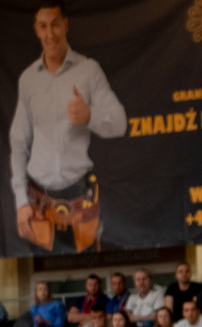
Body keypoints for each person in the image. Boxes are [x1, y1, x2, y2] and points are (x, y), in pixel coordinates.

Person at [9, 3, 125, 253]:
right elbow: (18, 142)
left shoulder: (88, 70)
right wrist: (21, 202)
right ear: (36, 30)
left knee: (88, 262)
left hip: (79, 194)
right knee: (41, 267)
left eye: (55, 25)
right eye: (43, 27)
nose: (50, 34)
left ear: (65, 25)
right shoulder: (28, 79)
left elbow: (120, 122)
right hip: (37, 198)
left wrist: (89, 115)